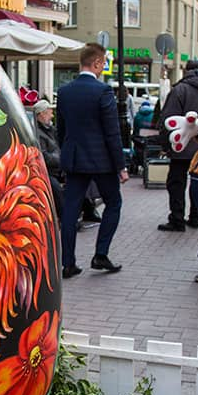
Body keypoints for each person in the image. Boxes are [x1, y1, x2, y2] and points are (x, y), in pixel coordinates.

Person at [57, 43, 129, 277]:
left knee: (70, 210)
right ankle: (100, 254)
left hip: (75, 160)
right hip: (102, 161)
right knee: (114, 203)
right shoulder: (103, 91)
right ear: (97, 63)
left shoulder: (65, 91)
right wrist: (121, 166)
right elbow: (112, 132)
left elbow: (61, 129)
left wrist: (66, 153)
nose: (104, 67)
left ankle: (67, 263)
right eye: (104, 62)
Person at [156, 59, 198, 231]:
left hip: (181, 145)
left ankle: (177, 219)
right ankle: (196, 217)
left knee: (176, 182)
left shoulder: (180, 90)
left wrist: (166, 145)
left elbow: (168, 120)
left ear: (185, 70)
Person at [33, 98, 63, 221]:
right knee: (56, 188)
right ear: (41, 114)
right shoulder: (38, 133)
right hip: (47, 171)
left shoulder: (51, 129)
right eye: (50, 112)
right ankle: (66, 219)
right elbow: (44, 156)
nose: (52, 115)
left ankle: (87, 211)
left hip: (58, 168)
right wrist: (61, 160)